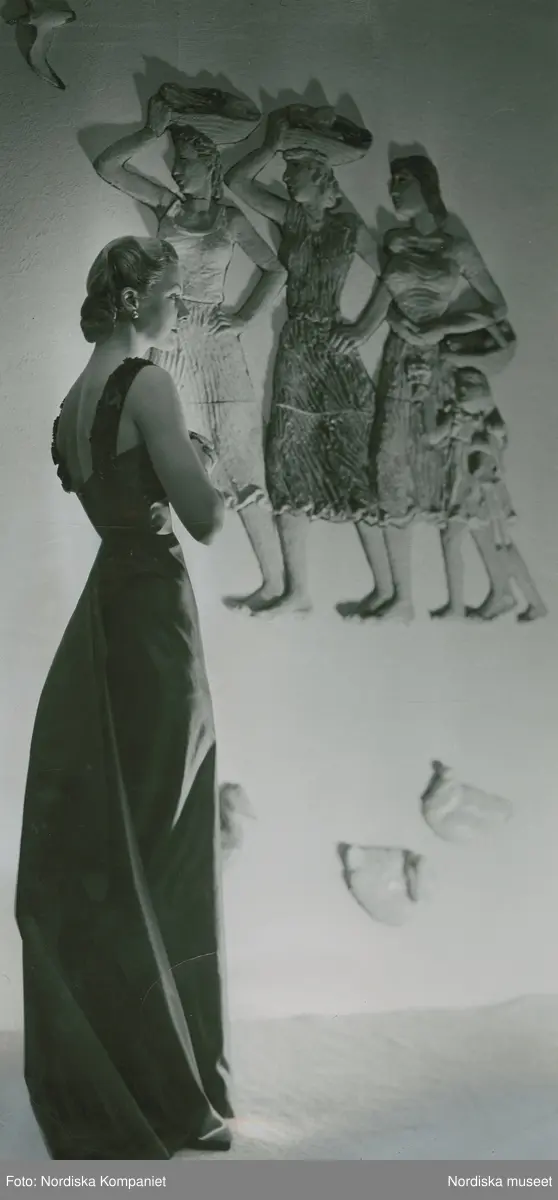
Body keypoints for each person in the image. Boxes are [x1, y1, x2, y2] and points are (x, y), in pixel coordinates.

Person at [15, 236, 234, 1159]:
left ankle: (144, 1075)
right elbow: (205, 517)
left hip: (106, 611)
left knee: (120, 843)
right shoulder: (146, 383)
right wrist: (220, 467)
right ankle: (173, 1095)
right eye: (175, 295)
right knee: (165, 843)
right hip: (151, 618)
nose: (180, 310)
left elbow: (116, 491)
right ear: (139, 297)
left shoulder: (74, 399)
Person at [93, 93, 287, 613]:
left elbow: (276, 269)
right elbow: (109, 166)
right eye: (174, 162)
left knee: (240, 456)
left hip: (217, 345)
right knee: (163, 458)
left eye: (185, 162)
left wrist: (244, 316)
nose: (177, 172)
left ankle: (276, 582)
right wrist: (149, 131)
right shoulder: (168, 209)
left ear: (211, 164)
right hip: (174, 338)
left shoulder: (230, 219)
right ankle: (158, 590)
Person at [225, 108, 394, 617]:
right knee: (286, 460)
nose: (285, 176)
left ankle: (387, 588)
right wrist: (270, 144)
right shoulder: (290, 217)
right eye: (286, 168)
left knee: (353, 464)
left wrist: (363, 329)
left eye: (293, 169)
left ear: (320, 176)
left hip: (334, 350)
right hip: (298, 347)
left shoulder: (348, 226)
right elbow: (237, 181)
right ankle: (297, 591)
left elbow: (395, 275)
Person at [332, 154, 512, 622]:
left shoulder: (457, 247)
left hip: (437, 363)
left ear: (427, 185)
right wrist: (363, 330)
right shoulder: (395, 240)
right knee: (389, 462)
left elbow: (496, 307)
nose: (394, 188)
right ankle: (403, 597)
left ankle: (492, 591)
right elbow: (386, 298)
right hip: (398, 357)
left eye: (403, 180)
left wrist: (442, 328)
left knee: (446, 471)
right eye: (392, 181)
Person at [429, 366, 547, 621]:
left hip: (476, 495)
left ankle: (495, 599)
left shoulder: (482, 426)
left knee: (486, 544)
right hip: (470, 493)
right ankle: (507, 596)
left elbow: (485, 464)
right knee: (490, 545)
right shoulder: (471, 420)